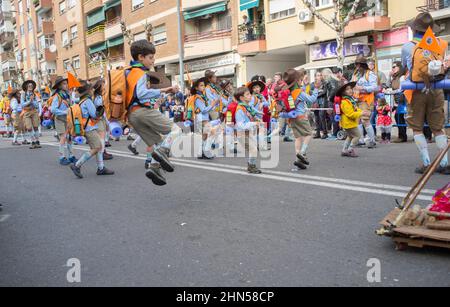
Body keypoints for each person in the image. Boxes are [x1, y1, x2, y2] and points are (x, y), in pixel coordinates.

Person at [125, 40, 181, 185]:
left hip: (133, 115)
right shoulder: (140, 73)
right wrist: (165, 90)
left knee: (160, 142)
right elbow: (142, 94)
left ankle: (154, 168)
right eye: (150, 57)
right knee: (176, 130)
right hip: (142, 111)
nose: (153, 60)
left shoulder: (128, 72)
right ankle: (162, 154)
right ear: (140, 57)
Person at [402, 12, 449, 174]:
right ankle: (444, 163)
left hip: (417, 90)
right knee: (438, 127)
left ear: (414, 29)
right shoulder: (441, 44)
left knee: (417, 127)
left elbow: (405, 67)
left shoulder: (408, 46)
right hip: (436, 88)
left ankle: (427, 163)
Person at [70, 81, 115, 178]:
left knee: (97, 147)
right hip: (89, 128)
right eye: (91, 89)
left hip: (86, 127)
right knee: (96, 147)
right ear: (88, 91)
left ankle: (101, 167)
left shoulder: (81, 101)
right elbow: (94, 115)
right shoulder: (87, 101)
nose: (92, 90)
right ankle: (77, 165)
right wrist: (100, 110)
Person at [281, 68, 318, 170]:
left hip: (292, 118)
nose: (301, 81)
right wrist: (315, 90)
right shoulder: (299, 92)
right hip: (301, 117)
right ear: (297, 81)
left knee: (298, 137)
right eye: (300, 80)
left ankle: (298, 159)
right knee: (309, 133)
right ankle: (302, 153)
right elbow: (312, 99)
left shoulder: (288, 92)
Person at [351, 55, 378, 148]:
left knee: (365, 120)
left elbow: (375, 87)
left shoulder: (370, 74)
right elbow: (351, 85)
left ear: (363, 65)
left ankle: (372, 141)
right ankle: (360, 140)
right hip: (357, 100)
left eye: (358, 65)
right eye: (356, 65)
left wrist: (362, 88)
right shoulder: (355, 74)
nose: (357, 67)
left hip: (366, 101)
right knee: (357, 120)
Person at [234, 86, 262, 174]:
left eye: (250, 93)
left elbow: (252, 111)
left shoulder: (246, 106)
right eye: (248, 94)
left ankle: (251, 165)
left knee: (253, 149)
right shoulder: (239, 109)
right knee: (253, 149)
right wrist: (255, 123)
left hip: (248, 132)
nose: (250, 96)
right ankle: (251, 166)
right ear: (242, 98)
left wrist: (258, 116)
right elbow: (241, 125)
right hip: (241, 134)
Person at [51, 76, 77, 165]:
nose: (67, 85)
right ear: (59, 86)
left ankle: (71, 156)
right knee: (63, 137)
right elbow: (53, 109)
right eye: (64, 84)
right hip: (59, 119)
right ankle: (61, 157)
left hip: (68, 119)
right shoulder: (57, 97)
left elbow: (73, 103)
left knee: (70, 138)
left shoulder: (67, 95)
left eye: (66, 83)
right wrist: (64, 112)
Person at [336, 82, 363, 157]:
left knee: (350, 136)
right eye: (347, 89)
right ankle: (350, 150)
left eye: (350, 88)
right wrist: (361, 114)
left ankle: (344, 150)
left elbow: (355, 109)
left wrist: (361, 112)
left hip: (349, 123)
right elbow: (350, 114)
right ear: (343, 92)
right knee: (357, 136)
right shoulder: (345, 102)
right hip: (349, 123)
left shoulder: (350, 100)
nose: (350, 90)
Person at [385, 61, 408, 143]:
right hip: (397, 100)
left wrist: (391, 92)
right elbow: (387, 85)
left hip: (402, 99)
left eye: (394, 67)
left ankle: (402, 136)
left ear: (399, 67)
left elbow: (401, 89)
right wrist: (389, 76)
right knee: (399, 117)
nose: (393, 68)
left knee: (398, 117)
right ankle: (402, 136)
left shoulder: (401, 77)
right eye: (392, 67)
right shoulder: (394, 77)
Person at [92, 80, 113, 161]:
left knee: (106, 131)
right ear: (99, 87)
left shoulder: (100, 95)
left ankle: (103, 150)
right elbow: (100, 104)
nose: (105, 86)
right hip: (99, 118)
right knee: (102, 136)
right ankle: (102, 152)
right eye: (103, 85)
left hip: (102, 117)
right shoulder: (97, 96)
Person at [21, 80, 42, 149]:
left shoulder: (35, 94)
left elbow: (37, 105)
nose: (30, 87)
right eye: (29, 86)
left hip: (34, 111)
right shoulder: (23, 94)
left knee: (36, 127)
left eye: (32, 86)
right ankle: (32, 141)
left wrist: (32, 101)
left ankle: (37, 141)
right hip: (26, 112)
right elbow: (22, 104)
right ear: (26, 87)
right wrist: (29, 101)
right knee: (29, 127)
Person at [312, 71, 328, 139]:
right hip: (315, 102)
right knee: (316, 118)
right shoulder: (312, 84)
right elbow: (310, 91)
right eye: (318, 75)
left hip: (322, 102)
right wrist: (318, 92)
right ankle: (317, 133)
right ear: (315, 76)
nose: (319, 76)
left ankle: (325, 133)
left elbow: (324, 92)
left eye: (320, 75)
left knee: (322, 117)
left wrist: (316, 94)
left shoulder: (324, 83)